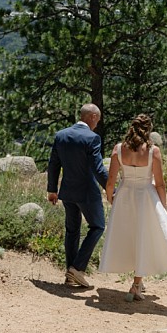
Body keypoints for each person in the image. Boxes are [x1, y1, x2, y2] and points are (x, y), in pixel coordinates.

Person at [98, 113, 167, 302]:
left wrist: (111, 198)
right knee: (144, 237)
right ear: (148, 130)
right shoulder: (152, 151)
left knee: (129, 236)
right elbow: (160, 184)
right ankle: (136, 285)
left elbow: (110, 181)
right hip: (145, 197)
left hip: (124, 196)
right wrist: (162, 206)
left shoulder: (117, 149)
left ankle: (138, 282)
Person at [46, 103, 109, 288]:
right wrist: (112, 189)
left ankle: (70, 274)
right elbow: (98, 169)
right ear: (92, 117)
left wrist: (52, 190)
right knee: (97, 226)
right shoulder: (92, 138)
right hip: (87, 192)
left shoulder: (61, 135)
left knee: (72, 231)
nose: (97, 123)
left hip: (67, 192)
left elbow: (53, 165)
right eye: (97, 119)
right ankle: (77, 268)